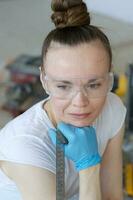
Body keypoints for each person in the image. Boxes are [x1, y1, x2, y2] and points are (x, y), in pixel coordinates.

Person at [0, 0, 126, 199]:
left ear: (109, 79)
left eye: (93, 85)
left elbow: (112, 196)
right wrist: (89, 165)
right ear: (44, 80)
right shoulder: (26, 145)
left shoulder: (113, 108)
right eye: (63, 86)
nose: (80, 103)